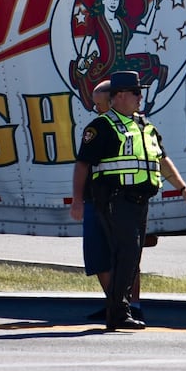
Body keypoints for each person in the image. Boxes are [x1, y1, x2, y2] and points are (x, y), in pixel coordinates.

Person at [70, 70, 186, 331]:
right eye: (137, 92)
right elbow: (83, 165)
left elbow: (161, 160)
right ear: (119, 96)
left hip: (140, 201)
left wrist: (182, 188)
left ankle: (119, 309)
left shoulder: (145, 127)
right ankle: (118, 311)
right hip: (115, 199)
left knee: (131, 256)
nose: (141, 97)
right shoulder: (102, 126)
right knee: (125, 254)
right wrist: (77, 200)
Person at [78, 79, 142, 323]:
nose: (96, 109)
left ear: (113, 100)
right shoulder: (114, 127)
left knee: (119, 255)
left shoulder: (129, 128)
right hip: (105, 199)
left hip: (112, 200)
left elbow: (82, 165)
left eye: (99, 104)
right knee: (107, 255)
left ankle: (125, 305)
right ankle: (118, 304)